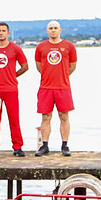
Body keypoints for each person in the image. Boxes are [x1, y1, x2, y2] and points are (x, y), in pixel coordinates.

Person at [0, 22, 29, 157]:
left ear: (8, 33)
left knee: (14, 119)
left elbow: (25, 66)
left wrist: (12, 75)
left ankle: (17, 147)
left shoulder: (15, 49)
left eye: (4, 31)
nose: (1, 33)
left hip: (11, 89)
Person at [34, 20, 77, 156]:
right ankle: (45, 146)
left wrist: (62, 75)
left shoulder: (69, 46)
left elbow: (72, 66)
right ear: (47, 31)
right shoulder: (41, 47)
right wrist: (49, 75)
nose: (53, 30)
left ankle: (65, 145)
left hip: (63, 87)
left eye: (55, 28)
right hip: (46, 87)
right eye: (51, 28)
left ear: (60, 30)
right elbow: (39, 66)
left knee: (64, 116)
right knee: (46, 116)